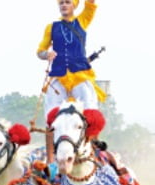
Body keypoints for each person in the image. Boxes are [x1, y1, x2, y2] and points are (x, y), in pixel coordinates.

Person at [37, 0, 105, 163]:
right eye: (61, 3)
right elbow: (40, 51)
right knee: (50, 113)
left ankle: (93, 148)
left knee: (90, 108)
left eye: (67, 2)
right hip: (58, 75)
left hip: (80, 74)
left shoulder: (82, 20)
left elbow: (91, 4)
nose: (64, 5)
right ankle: (51, 159)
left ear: (74, 5)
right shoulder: (51, 27)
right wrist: (47, 55)